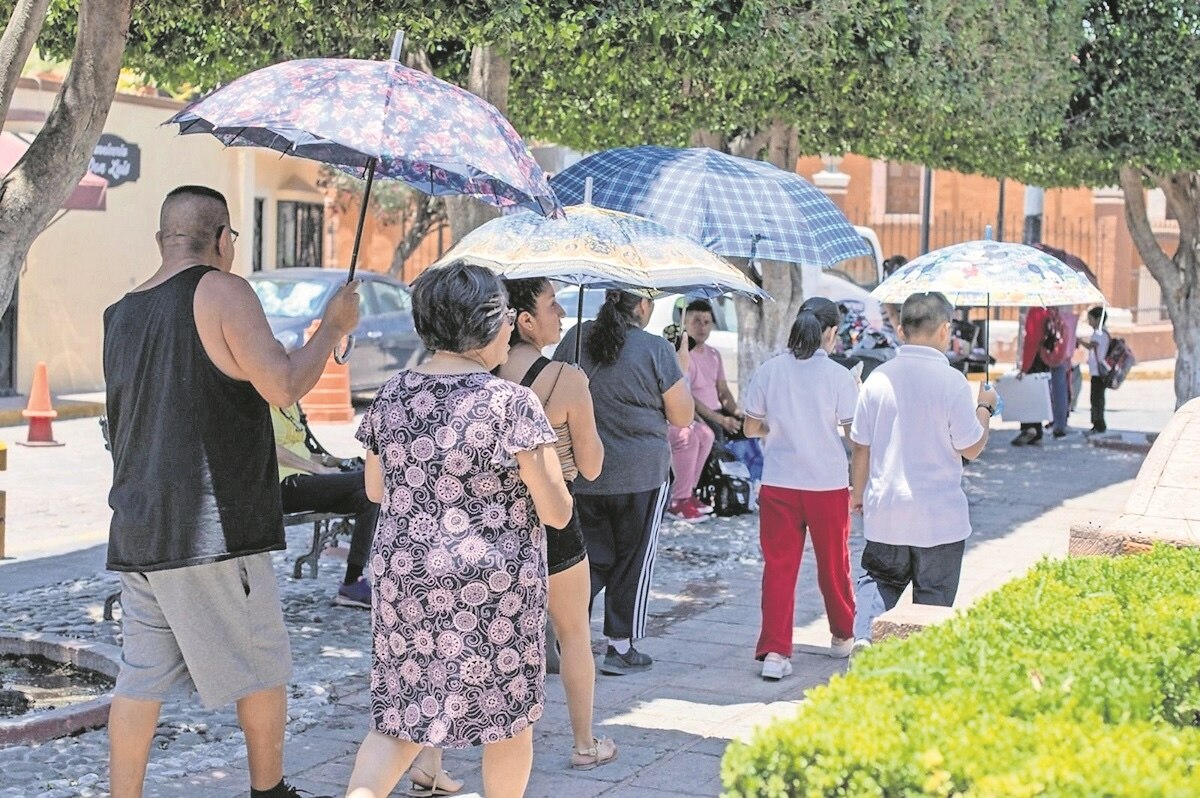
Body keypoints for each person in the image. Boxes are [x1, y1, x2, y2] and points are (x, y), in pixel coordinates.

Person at [103, 185, 360, 798]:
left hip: (139, 523)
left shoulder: (120, 312)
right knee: (262, 664)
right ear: (223, 239)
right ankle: (269, 792)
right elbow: (283, 385)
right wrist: (332, 327)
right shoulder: (222, 290)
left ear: (161, 239)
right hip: (211, 527)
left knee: (140, 680)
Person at [345, 262, 572, 798]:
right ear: (490, 325)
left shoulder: (393, 393)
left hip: (407, 580)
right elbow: (557, 512)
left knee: (400, 720)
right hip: (495, 589)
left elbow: (375, 490)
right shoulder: (512, 403)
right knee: (508, 722)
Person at [497, 277, 618, 770]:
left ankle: (429, 761)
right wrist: (581, 398)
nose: (563, 313)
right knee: (572, 634)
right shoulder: (566, 378)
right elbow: (592, 466)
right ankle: (584, 744)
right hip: (554, 517)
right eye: (552, 305)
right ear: (525, 320)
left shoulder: (479, 373)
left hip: (490, 520)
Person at [553, 289, 694, 675]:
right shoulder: (656, 349)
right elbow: (682, 417)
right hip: (641, 474)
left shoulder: (575, 338)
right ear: (643, 306)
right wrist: (681, 363)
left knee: (588, 559)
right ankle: (620, 646)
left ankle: (566, 636)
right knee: (634, 559)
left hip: (585, 472)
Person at [849, 292, 997, 652]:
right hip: (938, 517)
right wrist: (985, 408)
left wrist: (858, 494)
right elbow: (971, 447)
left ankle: (866, 637)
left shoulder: (878, 379)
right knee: (932, 599)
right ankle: (919, 660)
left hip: (886, 510)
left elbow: (861, 446)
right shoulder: (952, 382)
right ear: (945, 330)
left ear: (901, 330)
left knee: (880, 580)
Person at [742, 298, 860, 680]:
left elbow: (750, 427)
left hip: (779, 482)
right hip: (826, 484)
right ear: (831, 332)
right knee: (834, 564)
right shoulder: (839, 376)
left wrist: (777, 427)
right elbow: (854, 435)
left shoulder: (770, 370)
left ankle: (775, 653)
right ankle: (842, 634)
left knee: (779, 568)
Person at [271, 402, 378, 607]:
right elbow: (269, 448)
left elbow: (299, 451)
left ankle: (352, 582)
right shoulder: (259, 403)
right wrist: (318, 469)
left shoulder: (289, 405)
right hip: (281, 485)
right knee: (372, 478)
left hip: (306, 480)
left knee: (368, 496)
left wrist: (328, 460)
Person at [676, 299, 764, 510]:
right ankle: (711, 489)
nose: (702, 327)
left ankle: (749, 486)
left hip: (718, 411)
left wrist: (736, 412)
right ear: (685, 322)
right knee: (715, 434)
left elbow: (723, 391)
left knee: (748, 431)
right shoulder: (683, 355)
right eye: (696, 321)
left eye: (707, 322)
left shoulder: (714, 354)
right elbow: (689, 397)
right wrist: (721, 420)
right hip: (698, 414)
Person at [1012, 306, 1075, 445]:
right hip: (1046, 358)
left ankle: (1030, 428)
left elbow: (1031, 340)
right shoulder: (1052, 311)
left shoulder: (1036, 312)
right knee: (1039, 394)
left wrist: (1024, 367)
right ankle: (1039, 430)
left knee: (1028, 394)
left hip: (1035, 358)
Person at [1081, 306, 1110, 433]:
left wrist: (1079, 340)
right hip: (1098, 371)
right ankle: (1097, 422)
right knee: (1097, 398)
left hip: (1098, 372)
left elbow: (1091, 346)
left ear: (1098, 319)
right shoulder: (1103, 333)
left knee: (1096, 398)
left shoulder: (1099, 333)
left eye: (1091, 319)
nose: (1089, 322)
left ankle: (1099, 423)